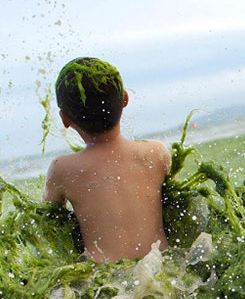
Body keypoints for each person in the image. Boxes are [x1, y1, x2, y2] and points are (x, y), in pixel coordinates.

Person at [44, 57, 170, 263]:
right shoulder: (156, 154)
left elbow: (49, 227)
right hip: (160, 267)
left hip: (103, 282)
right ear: (125, 99)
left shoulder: (62, 170)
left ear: (65, 118)